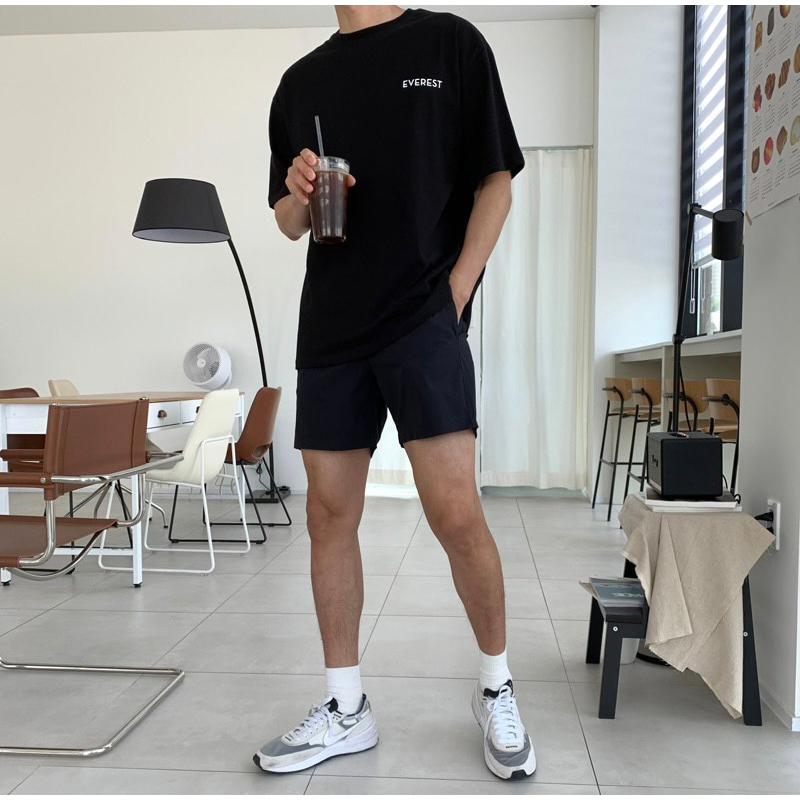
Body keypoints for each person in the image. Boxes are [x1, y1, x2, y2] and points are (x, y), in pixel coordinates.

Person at [255, 5, 532, 781]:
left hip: (422, 319)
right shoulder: (300, 82)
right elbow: (286, 222)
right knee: (327, 515)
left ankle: (497, 686)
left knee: (456, 512)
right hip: (333, 327)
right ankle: (346, 708)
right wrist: (298, 191)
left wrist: (456, 293)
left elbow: (496, 181)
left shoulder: (450, 44)